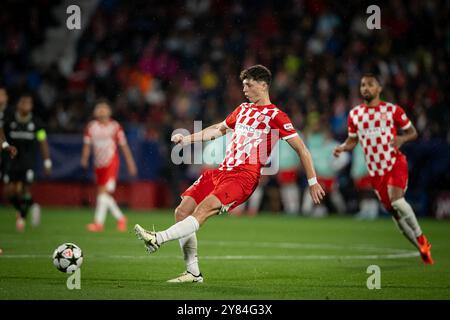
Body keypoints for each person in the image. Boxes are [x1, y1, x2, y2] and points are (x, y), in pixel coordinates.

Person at [134, 65, 325, 283]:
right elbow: (218, 129)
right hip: (221, 171)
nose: (244, 89)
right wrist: (187, 139)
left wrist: (313, 181)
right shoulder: (242, 109)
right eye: (243, 85)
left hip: (243, 176)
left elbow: (302, 149)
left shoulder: (276, 116)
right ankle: (193, 273)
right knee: (181, 211)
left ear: (263, 86)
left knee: (203, 209)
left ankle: (158, 238)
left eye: (249, 85)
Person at [333, 73, 434, 265]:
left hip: (394, 162)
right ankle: (421, 248)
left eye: (370, 85)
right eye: (363, 85)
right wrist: (343, 147)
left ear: (379, 88)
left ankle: (422, 238)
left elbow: (413, 132)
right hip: (375, 172)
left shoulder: (392, 110)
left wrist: (401, 139)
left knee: (397, 201)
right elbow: (353, 140)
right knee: (396, 215)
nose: (365, 88)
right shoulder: (355, 114)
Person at [81, 99, 137, 232]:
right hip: (98, 165)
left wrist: (130, 163)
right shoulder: (91, 126)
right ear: (95, 112)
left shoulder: (115, 126)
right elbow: (87, 144)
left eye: (104, 108)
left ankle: (98, 223)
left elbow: (124, 146)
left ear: (109, 111)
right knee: (104, 195)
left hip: (111, 163)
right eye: (99, 108)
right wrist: (84, 158)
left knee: (102, 193)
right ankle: (121, 218)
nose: (101, 111)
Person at [2, 93, 49, 232]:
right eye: (24, 102)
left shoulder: (37, 123)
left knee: (24, 189)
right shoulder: (9, 120)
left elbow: (43, 141)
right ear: (18, 105)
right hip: (10, 160)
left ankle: (21, 217)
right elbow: (1, 133)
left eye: (29, 103)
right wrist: (5, 145)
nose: (26, 106)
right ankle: (32, 206)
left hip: (28, 162)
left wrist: (47, 161)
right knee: (10, 192)